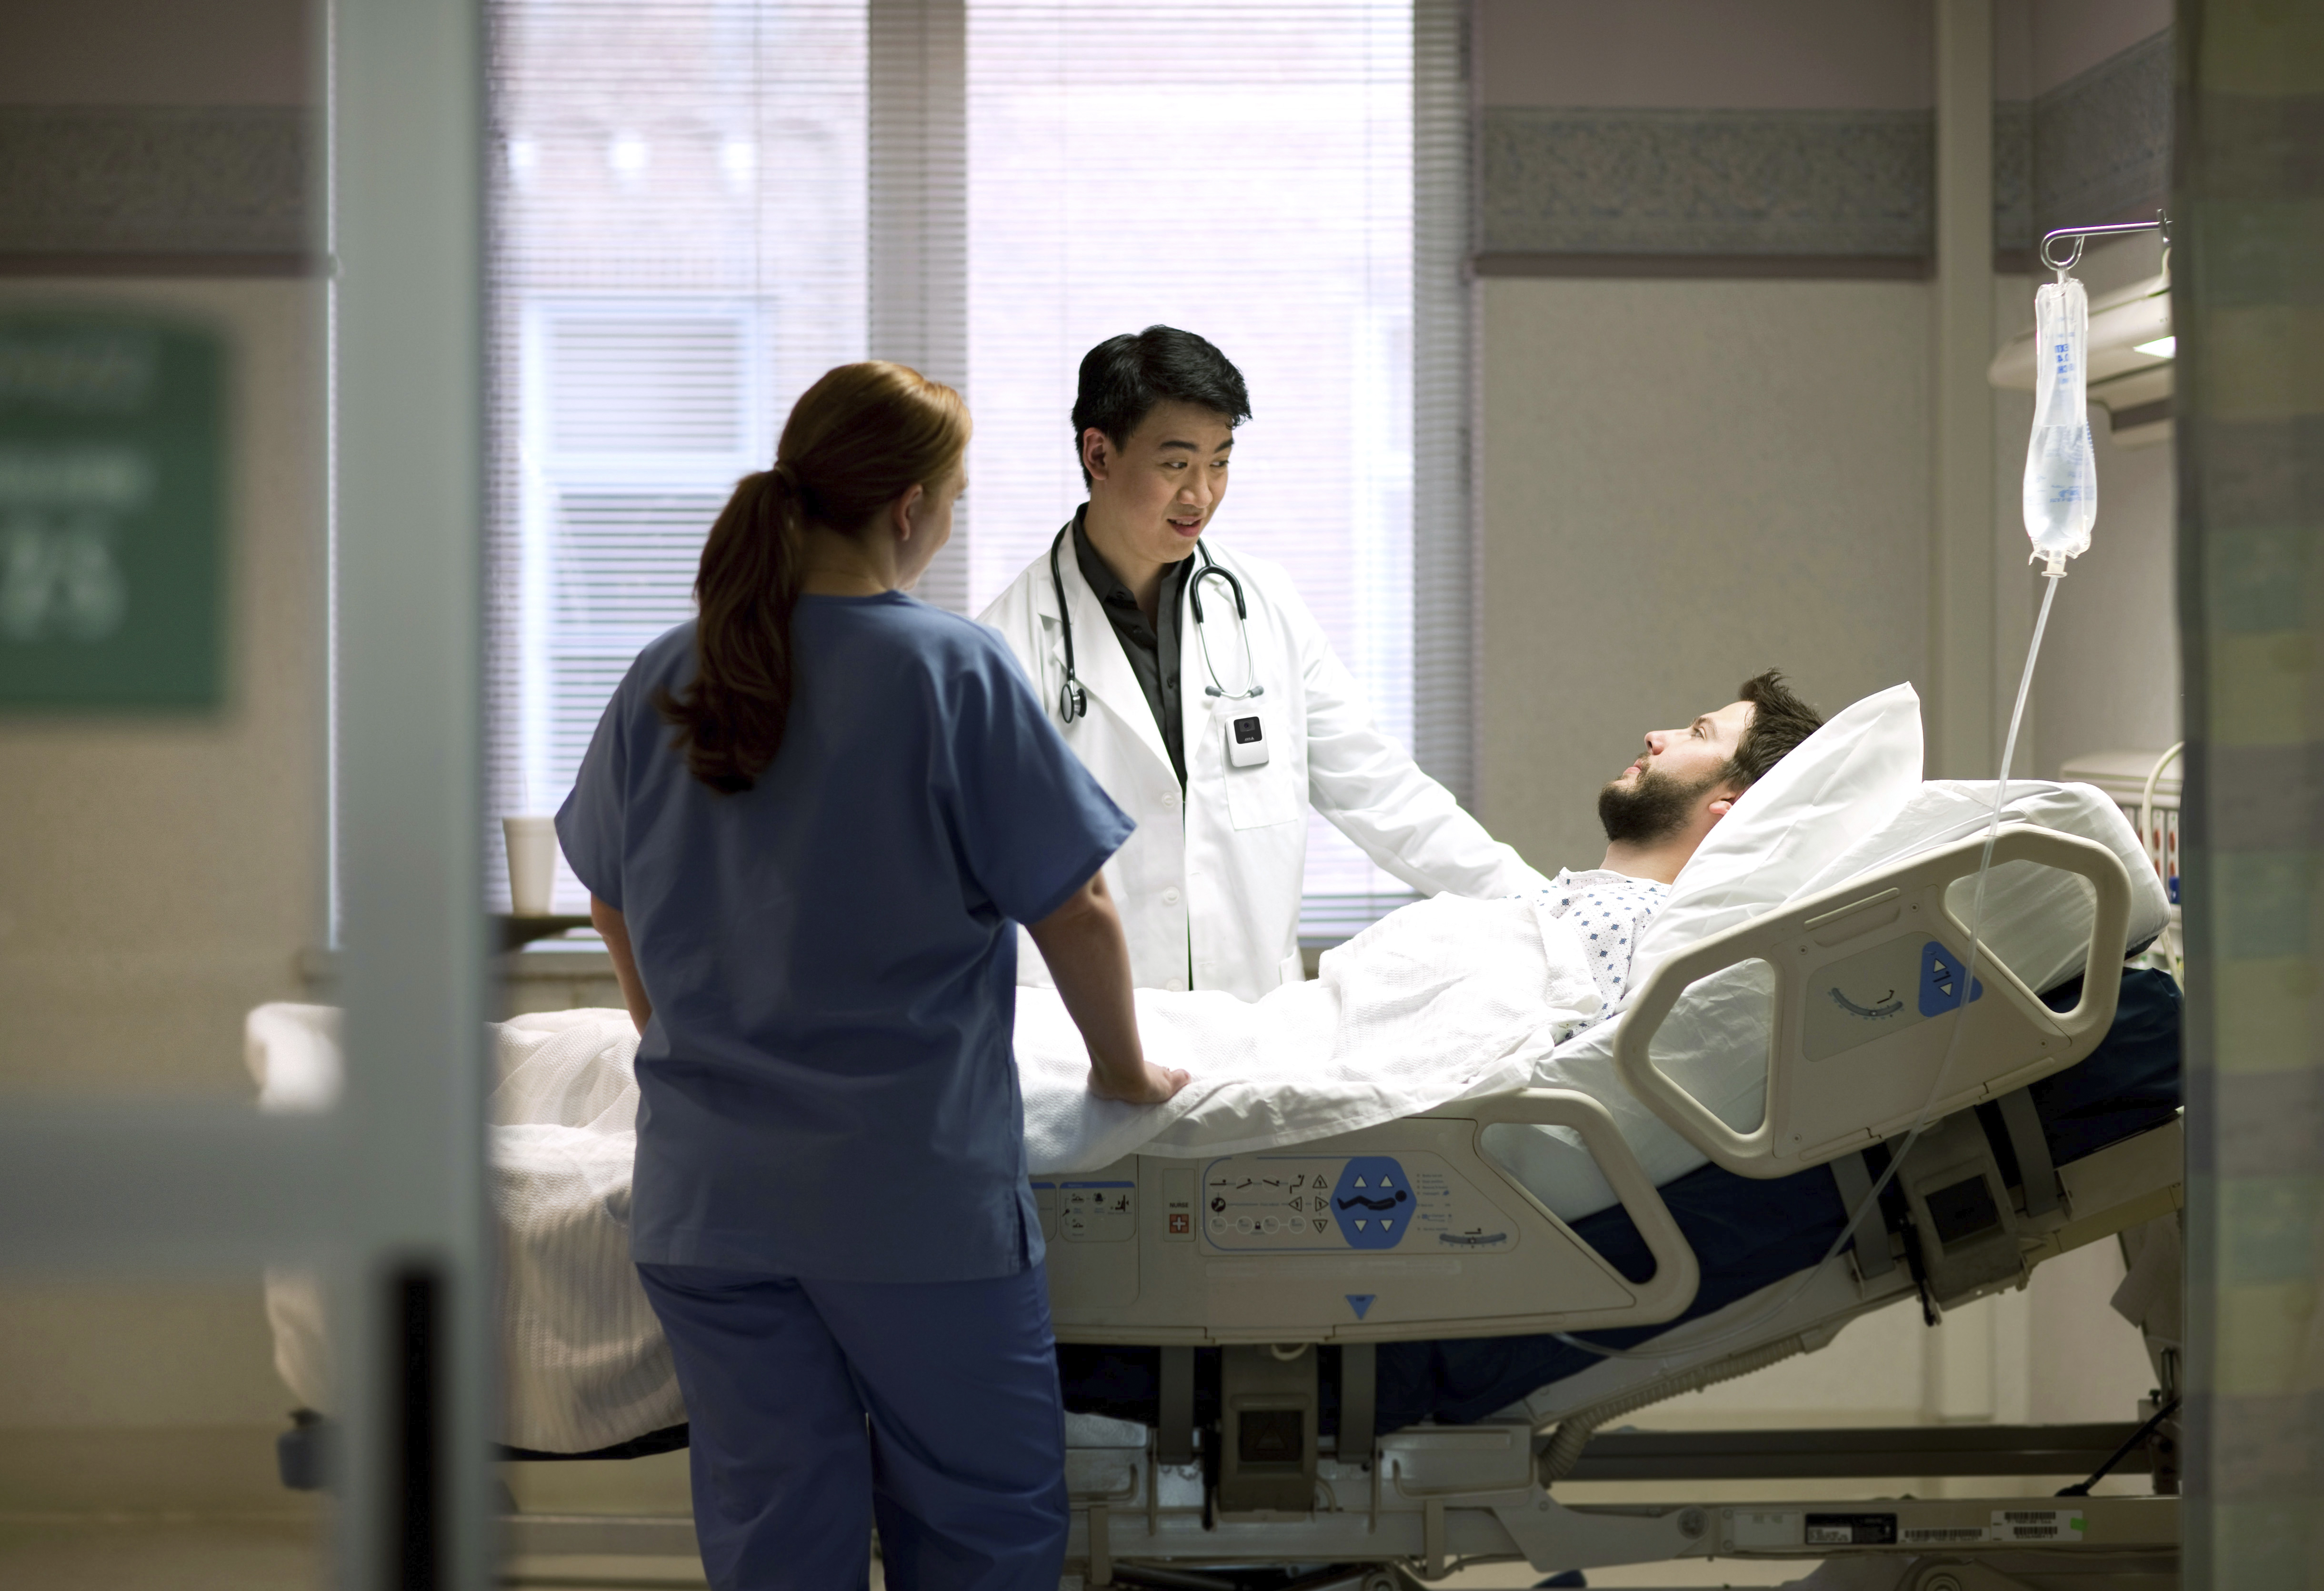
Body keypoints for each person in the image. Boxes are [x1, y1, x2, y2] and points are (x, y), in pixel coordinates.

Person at [556, 362, 1188, 1591]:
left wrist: (674, 1043)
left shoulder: (667, 671)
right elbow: (1076, 903)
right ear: (909, 509)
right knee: (979, 1528)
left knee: (775, 1536)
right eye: (953, 496)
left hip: (709, 1201)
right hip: (909, 1205)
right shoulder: (947, 672)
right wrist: (1121, 1067)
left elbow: (609, 895)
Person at [980, 325, 1545, 1001]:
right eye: (1175, 464)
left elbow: (1382, 791)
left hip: (1250, 1021)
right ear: (1099, 454)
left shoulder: (1264, 607)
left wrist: (1546, 907)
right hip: (1085, 1038)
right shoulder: (1007, 647)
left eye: (1219, 462)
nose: (1201, 495)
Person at [1527, 669, 1826, 1012]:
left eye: (1698, 734)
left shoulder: (1614, 917)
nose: (1654, 737)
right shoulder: (1584, 903)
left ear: (1735, 801)